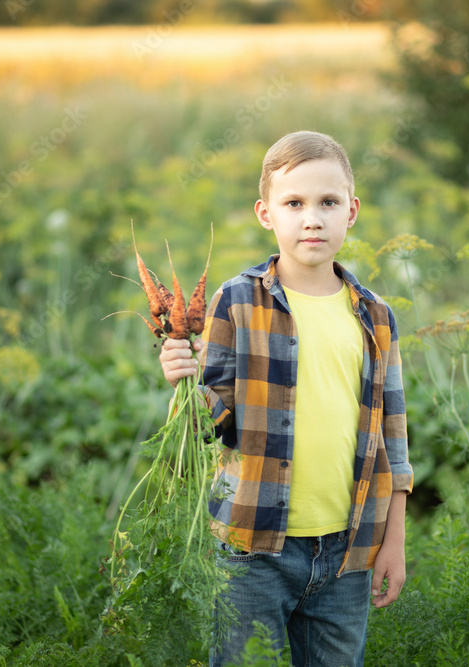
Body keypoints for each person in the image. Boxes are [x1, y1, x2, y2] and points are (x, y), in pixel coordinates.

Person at [158, 130, 412, 667]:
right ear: (266, 213)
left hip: (347, 550)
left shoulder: (376, 315)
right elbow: (217, 422)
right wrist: (186, 382)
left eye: (328, 202)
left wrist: (394, 541)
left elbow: (393, 435)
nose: (312, 218)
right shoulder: (237, 300)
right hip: (252, 546)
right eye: (294, 203)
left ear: (352, 211)